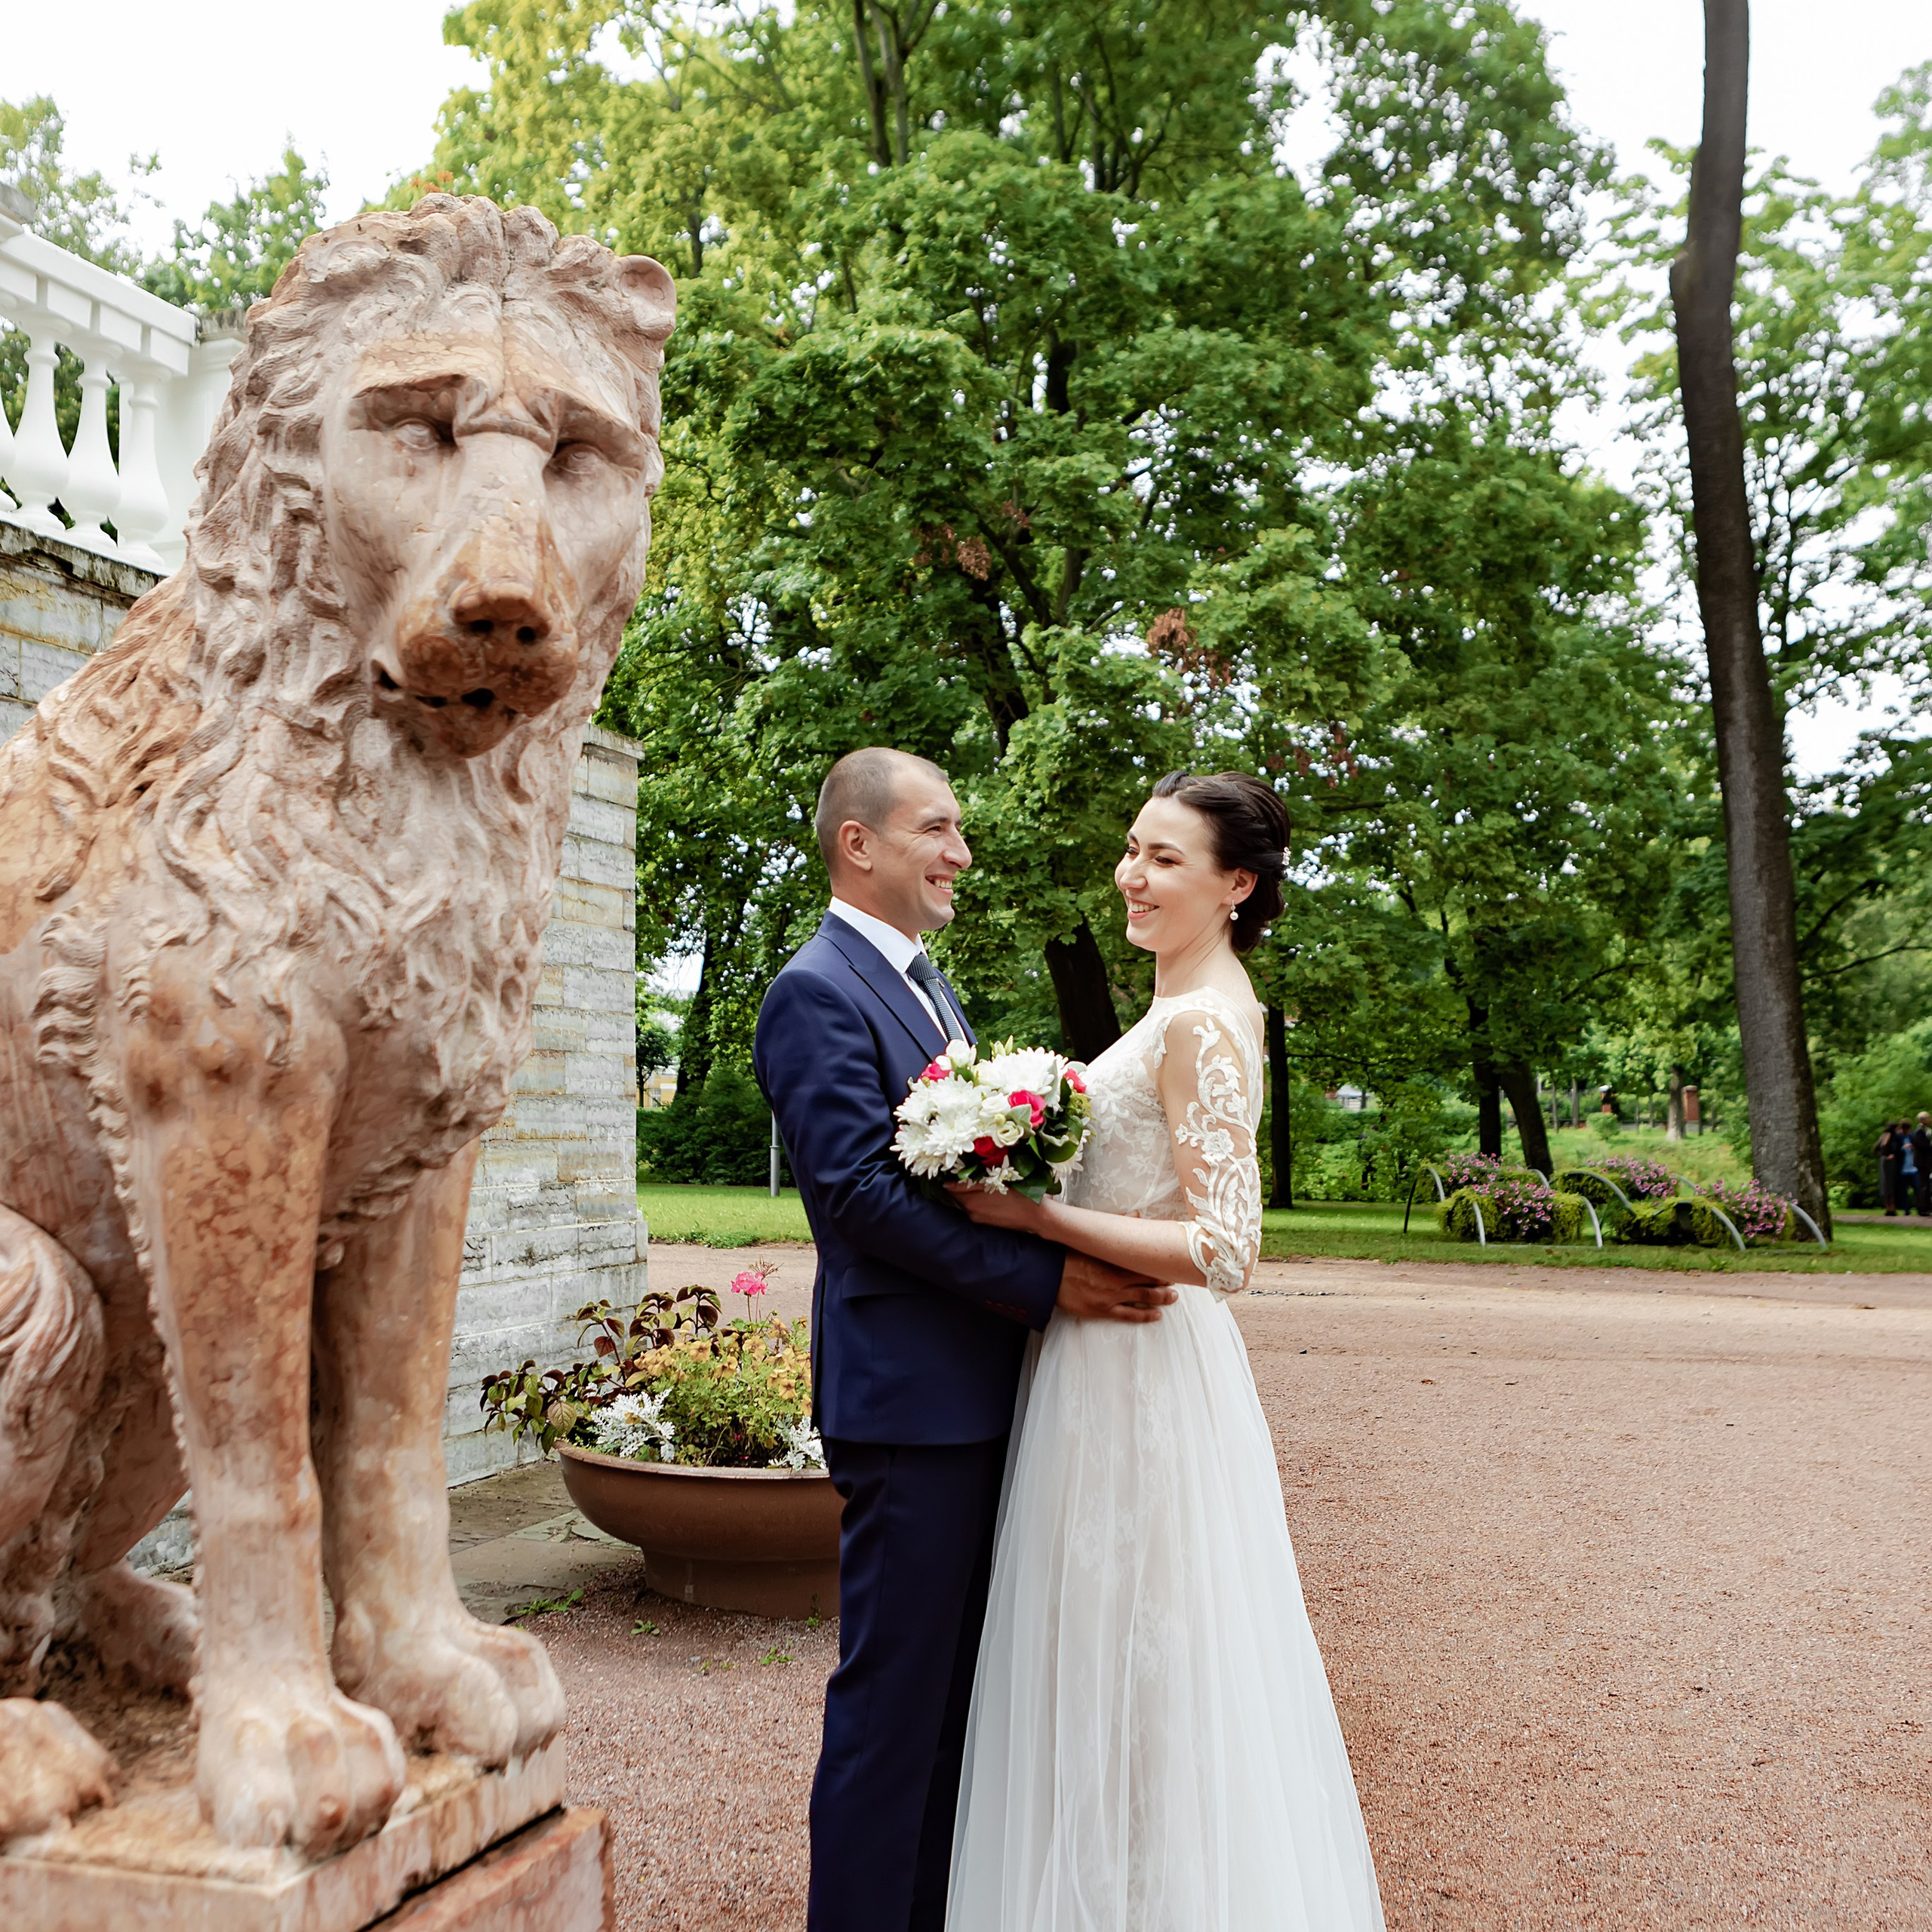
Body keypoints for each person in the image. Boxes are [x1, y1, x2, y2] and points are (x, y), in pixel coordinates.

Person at [945, 771, 1386, 1931]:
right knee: (1107, 1654)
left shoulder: (1202, 1022)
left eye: (1166, 860)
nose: (1133, 877)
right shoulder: (1184, 1003)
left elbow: (1228, 1245)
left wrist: (1037, 1218)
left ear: (1236, 885)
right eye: (1133, 849)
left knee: (1142, 1653)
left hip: (1141, 1371)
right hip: (1097, 1359)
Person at [753, 747, 1177, 1932]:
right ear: (861, 845)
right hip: (910, 1406)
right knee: (896, 1706)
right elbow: (858, 1200)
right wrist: (1049, 1281)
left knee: (963, 1702)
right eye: (939, 829)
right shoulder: (816, 990)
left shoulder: (929, 985)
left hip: (982, 1393)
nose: (961, 853)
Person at [1876, 1121, 1906, 1216]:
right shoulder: (1892, 1137)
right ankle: (1891, 1207)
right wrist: (1888, 1155)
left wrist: (1882, 1155)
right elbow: (1882, 1147)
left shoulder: (1883, 1136)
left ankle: (1888, 1207)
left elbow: (1876, 1148)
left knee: (1886, 1184)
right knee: (1890, 1184)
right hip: (1890, 1162)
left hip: (1884, 1161)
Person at [1915, 1114, 1932, 1218]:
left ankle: (1926, 1207)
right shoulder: (1920, 1132)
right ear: (1921, 1120)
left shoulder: (1926, 1131)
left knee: (1926, 1185)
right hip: (1923, 1162)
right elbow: (1922, 1146)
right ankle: (1923, 1208)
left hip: (1926, 1162)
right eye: (1927, 1118)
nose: (1929, 1120)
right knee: (1924, 1185)